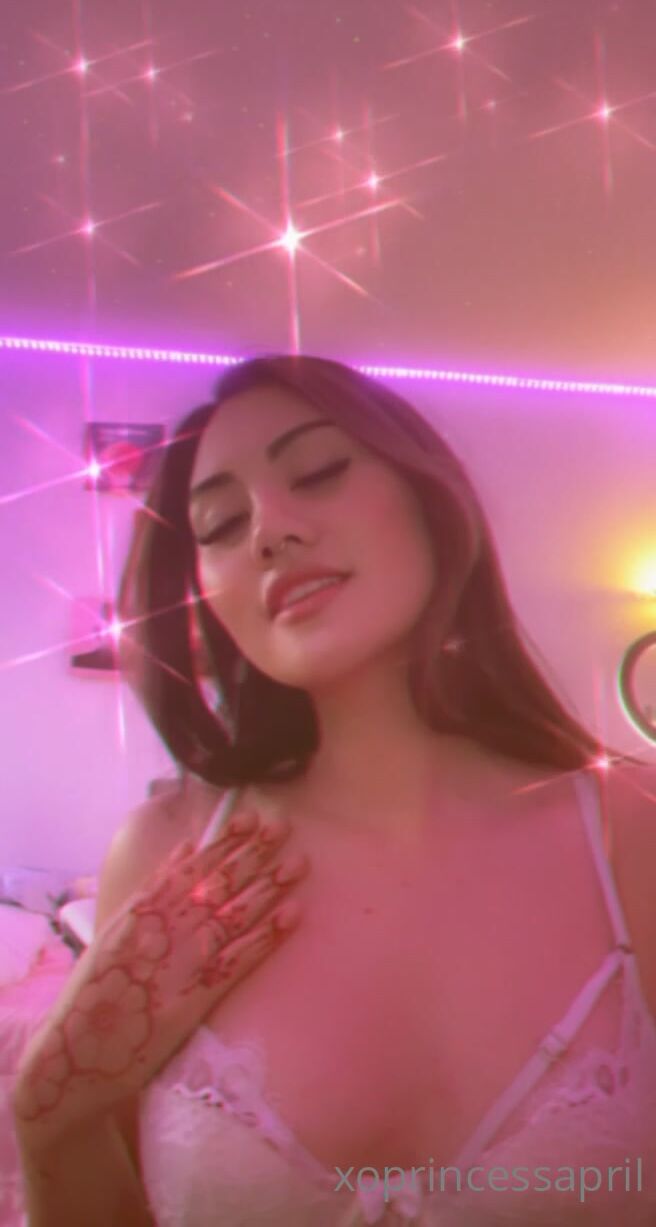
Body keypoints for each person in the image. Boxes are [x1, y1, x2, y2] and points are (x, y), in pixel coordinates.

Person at [12, 354, 656, 1226]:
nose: (269, 532)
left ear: (431, 499)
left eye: (317, 471)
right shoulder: (171, 856)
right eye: (221, 524)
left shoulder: (628, 833)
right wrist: (48, 1114)